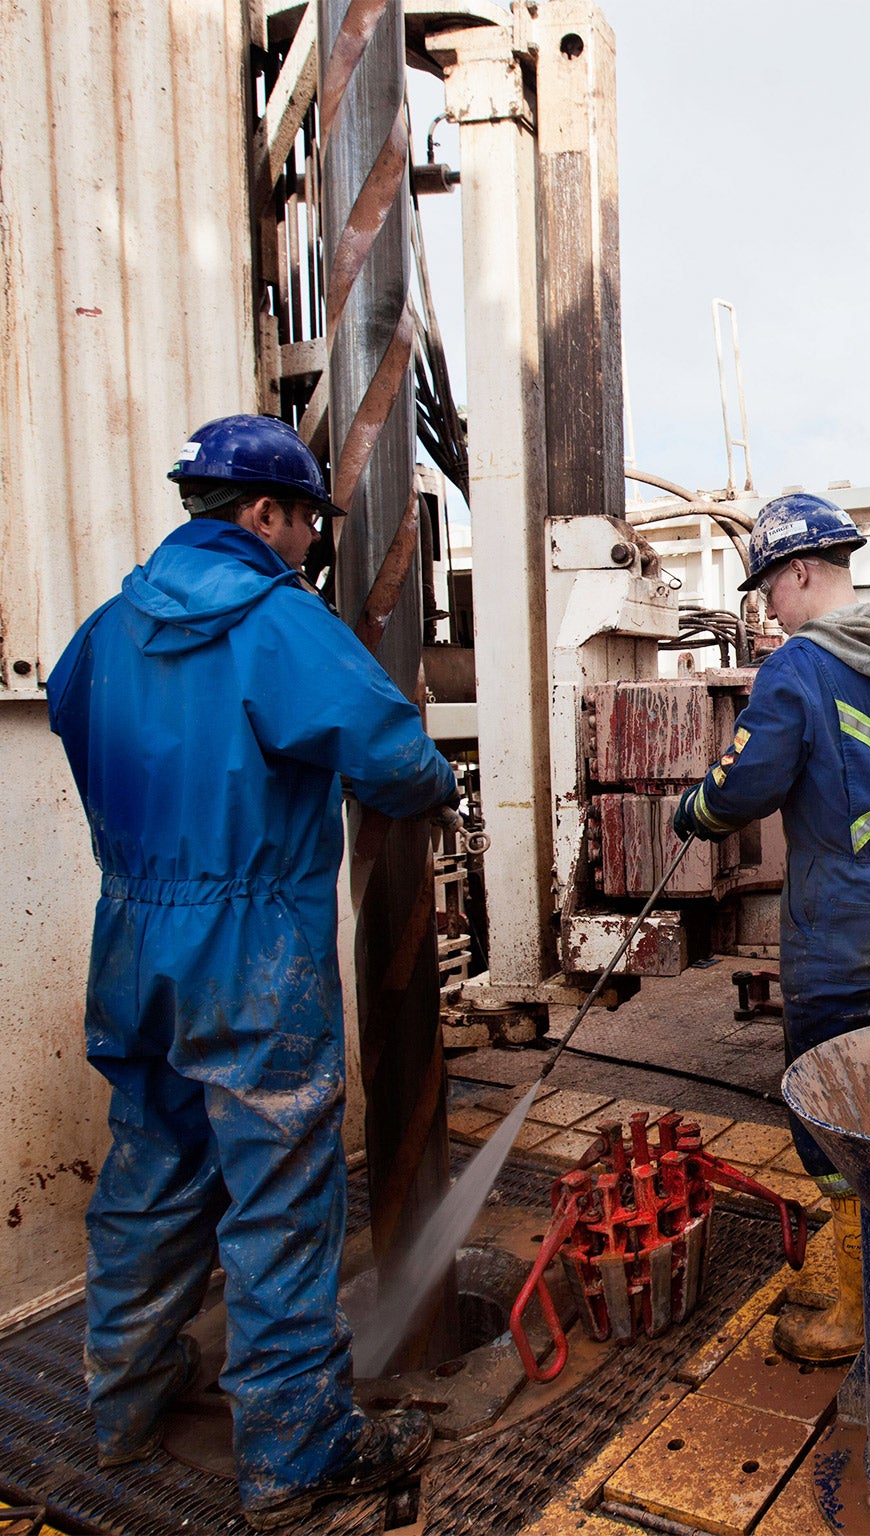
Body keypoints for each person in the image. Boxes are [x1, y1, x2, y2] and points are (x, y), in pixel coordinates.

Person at [45, 414, 455, 1527]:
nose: (313, 546)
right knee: (278, 1190)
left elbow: (76, 732)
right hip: (248, 945)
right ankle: (292, 1452)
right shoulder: (279, 623)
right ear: (263, 514)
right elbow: (387, 751)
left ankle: (122, 1402)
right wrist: (432, 790)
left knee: (151, 1166)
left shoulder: (103, 629)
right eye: (307, 523)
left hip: (133, 931)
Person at [672, 493, 870, 1363]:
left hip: (841, 938)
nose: (766, 610)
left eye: (767, 590)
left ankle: (861, 1316)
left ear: (800, 573)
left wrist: (695, 811)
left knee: (831, 1121)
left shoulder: (798, 670)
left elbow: (746, 783)